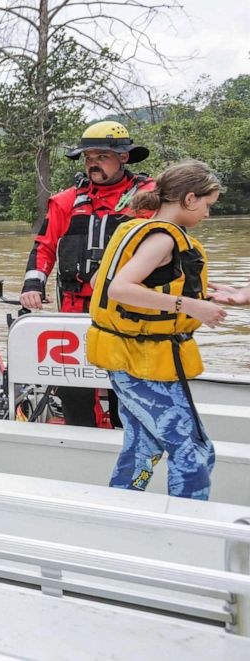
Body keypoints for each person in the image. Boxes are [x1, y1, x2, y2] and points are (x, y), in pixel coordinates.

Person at [87, 160, 225, 500]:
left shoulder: (136, 230)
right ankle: (186, 530)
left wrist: (211, 295)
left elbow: (98, 281)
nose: (207, 214)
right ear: (190, 199)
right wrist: (191, 306)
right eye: (208, 206)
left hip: (130, 360)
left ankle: (120, 511)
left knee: (142, 448)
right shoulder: (162, 239)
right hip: (144, 363)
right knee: (195, 453)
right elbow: (119, 289)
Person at [20, 121, 155, 427]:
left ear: (123, 157)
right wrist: (32, 285)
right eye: (88, 157)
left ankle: (129, 448)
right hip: (75, 310)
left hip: (129, 310)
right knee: (74, 391)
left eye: (101, 156)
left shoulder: (148, 198)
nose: (93, 163)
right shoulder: (66, 201)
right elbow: (44, 247)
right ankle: (84, 447)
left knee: (129, 392)